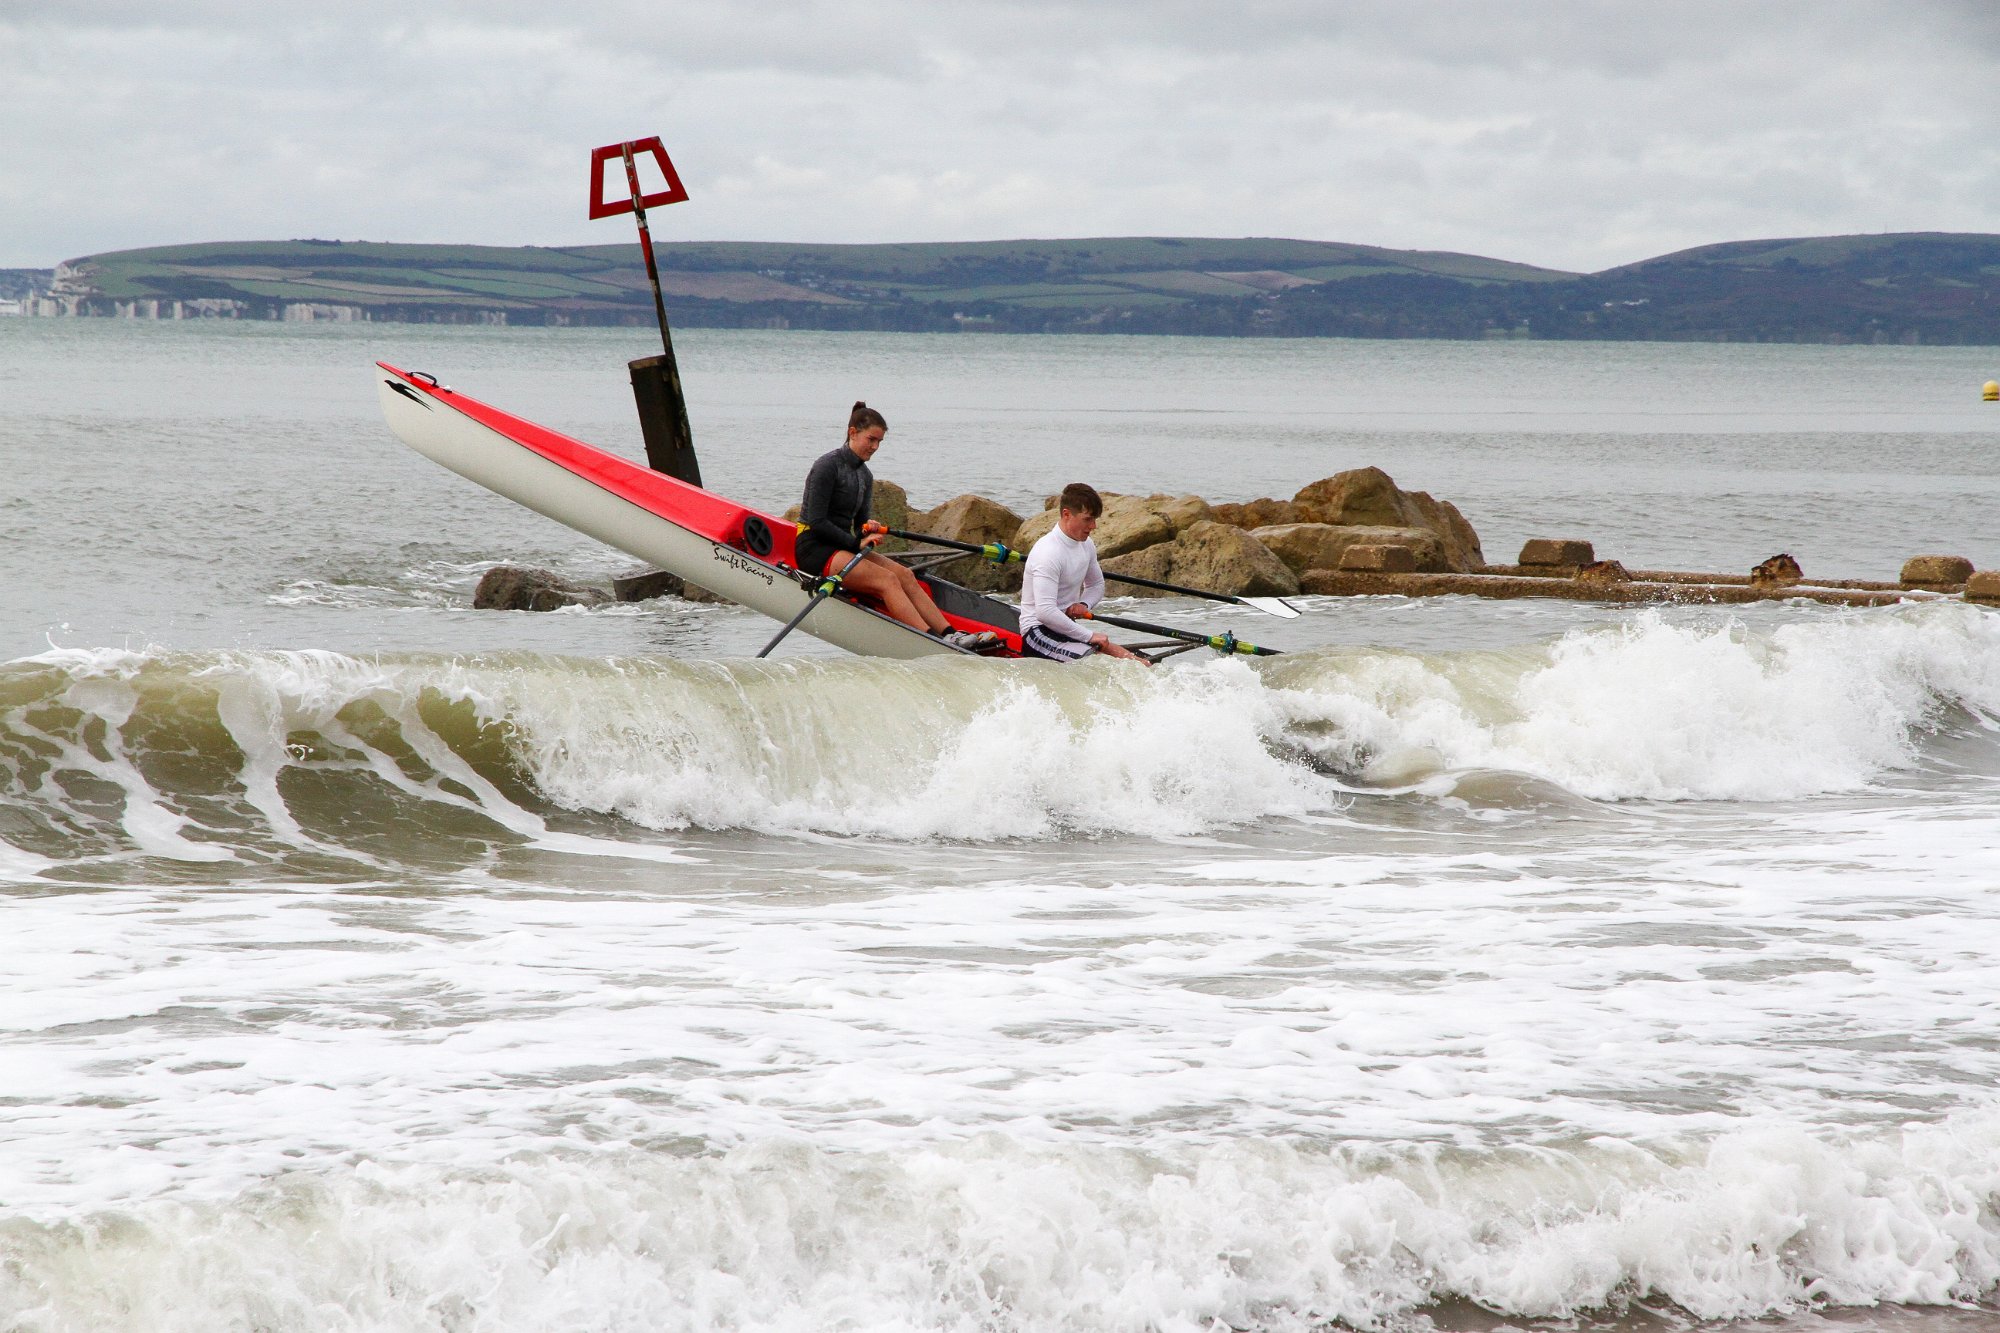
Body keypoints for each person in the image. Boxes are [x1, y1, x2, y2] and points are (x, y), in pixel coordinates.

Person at [797, 402, 998, 651]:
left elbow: (858, 525)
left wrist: (866, 529)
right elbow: (816, 522)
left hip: (841, 547)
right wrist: (855, 542)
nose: (875, 447)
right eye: (871, 439)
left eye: (879, 442)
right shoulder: (826, 466)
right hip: (814, 548)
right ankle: (932, 640)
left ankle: (951, 634)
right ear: (852, 433)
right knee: (888, 580)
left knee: (905, 575)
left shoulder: (865, 476)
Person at [1018, 483, 1149, 664]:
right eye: (1087, 519)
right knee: (1095, 664)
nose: (1093, 526)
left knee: (1141, 662)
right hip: (1037, 632)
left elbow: (1096, 585)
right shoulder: (1048, 553)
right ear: (1066, 514)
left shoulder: (1086, 545)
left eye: (1095, 519)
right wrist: (1090, 636)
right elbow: (1045, 612)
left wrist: (1083, 604)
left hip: (1065, 627)